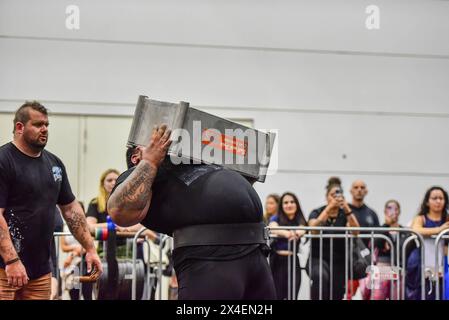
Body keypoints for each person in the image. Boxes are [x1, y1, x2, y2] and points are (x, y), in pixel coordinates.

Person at [107, 125, 276, 299]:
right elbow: (119, 211)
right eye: (150, 142)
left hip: (255, 250)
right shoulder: (135, 174)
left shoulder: (190, 164)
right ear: (136, 156)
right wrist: (149, 161)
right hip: (212, 257)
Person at [0, 101, 102, 300]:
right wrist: (11, 260)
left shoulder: (54, 164)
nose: (44, 129)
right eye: (38, 125)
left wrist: (90, 249)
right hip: (5, 269)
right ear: (20, 127)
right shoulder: (4, 161)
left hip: (40, 272)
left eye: (47, 125)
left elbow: (71, 210)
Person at [308, 177, 360, 300]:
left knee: (336, 293)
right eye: (332, 195)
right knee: (320, 279)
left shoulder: (345, 214)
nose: (335, 198)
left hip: (339, 261)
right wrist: (328, 209)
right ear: (327, 197)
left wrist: (346, 208)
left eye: (338, 195)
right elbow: (313, 229)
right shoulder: (317, 212)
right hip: (318, 258)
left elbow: (356, 231)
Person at [406, 186, 449, 300]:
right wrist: (439, 230)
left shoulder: (447, 218)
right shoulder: (421, 218)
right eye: (434, 198)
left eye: (441, 198)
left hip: (442, 262)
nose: (438, 201)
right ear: (427, 202)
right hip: (420, 262)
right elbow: (416, 230)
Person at [360, 200, 406, 300]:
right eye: (389, 208)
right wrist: (386, 226)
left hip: (398, 267)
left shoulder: (404, 231)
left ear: (399, 211)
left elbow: (404, 249)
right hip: (382, 267)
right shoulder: (380, 229)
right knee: (378, 296)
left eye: (395, 208)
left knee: (397, 296)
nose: (392, 211)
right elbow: (374, 243)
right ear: (385, 211)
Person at [269, 192, 307, 300]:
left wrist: (298, 232)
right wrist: (288, 233)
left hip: (293, 261)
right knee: (277, 295)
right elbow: (272, 227)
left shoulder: (300, 219)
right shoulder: (276, 218)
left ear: (296, 204)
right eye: (285, 202)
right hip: (277, 261)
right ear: (281, 205)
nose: (289, 205)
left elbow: (303, 228)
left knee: (293, 294)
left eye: (292, 202)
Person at [347, 179, 380, 299]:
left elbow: (377, 238)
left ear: (366, 191)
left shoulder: (371, 214)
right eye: (356, 187)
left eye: (362, 187)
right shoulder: (345, 212)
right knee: (348, 295)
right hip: (347, 262)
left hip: (366, 263)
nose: (359, 190)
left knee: (367, 295)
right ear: (350, 191)